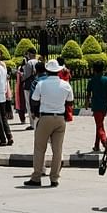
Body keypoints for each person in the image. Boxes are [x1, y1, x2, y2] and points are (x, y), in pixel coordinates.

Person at [24, 59, 76, 188]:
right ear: (59, 71)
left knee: (40, 148)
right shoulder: (66, 85)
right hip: (60, 119)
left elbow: (35, 100)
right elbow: (70, 102)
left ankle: (36, 177)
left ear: (47, 70)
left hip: (45, 117)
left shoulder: (41, 84)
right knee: (57, 150)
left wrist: (36, 112)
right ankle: (54, 178)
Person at [85, 60, 107, 152]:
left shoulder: (92, 80)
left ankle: (105, 143)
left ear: (94, 69)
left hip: (96, 105)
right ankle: (96, 145)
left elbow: (88, 93)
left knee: (99, 126)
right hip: (104, 105)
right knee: (99, 124)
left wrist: (86, 103)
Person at [17, 49, 38, 128]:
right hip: (37, 84)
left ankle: (32, 124)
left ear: (30, 54)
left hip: (29, 85)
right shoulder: (38, 62)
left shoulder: (29, 63)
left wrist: (21, 74)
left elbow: (26, 75)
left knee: (29, 105)